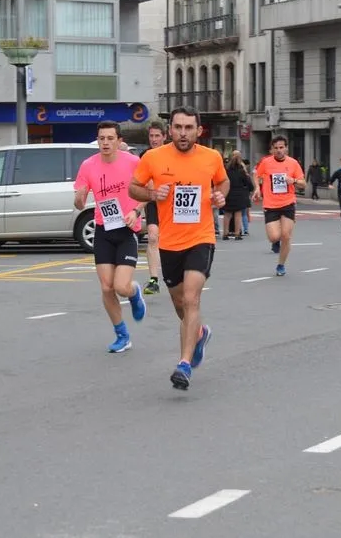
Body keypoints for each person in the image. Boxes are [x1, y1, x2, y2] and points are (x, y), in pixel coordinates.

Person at [130, 107, 229, 391]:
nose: (183, 133)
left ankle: (184, 364)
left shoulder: (211, 157)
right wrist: (152, 194)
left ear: (199, 130)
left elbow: (222, 181)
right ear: (170, 130)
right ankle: (199, 333)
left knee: (190, 298)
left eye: (188, 128)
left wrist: (219, 195)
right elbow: (133, 188)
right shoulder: (153, 158)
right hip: (170, 242)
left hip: (201, 237)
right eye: (178, 127)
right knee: (179, 303)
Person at [74, 120, 147, 353]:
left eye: (110, 138)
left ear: (119, 141)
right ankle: (122, 335)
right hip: (103, 229)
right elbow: (79, 203)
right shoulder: (88, 165)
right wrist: (80, 197)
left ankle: (134, 293)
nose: (105, 143)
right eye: (101, 139)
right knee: (107, 288)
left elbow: (148, 191)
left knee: (121, 286)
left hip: (127, 229)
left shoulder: (133, 162)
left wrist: (136, 211)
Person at [252, 136, 305, 276]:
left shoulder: (293, 163)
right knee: (274, 237)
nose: (279, 150)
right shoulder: (266, 162)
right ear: (272, 149)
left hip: (288, 203)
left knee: (286, 236)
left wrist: (293, 181)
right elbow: (256, 174)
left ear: (286, 148)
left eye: (281, 147)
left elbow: (303, 183)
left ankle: (281, 265)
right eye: (276, 148)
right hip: (270, 204)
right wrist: (257, 188)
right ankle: (278, 234)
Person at [141, 120, 167, 295]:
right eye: (151, 136)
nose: (154, 139)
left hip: (170, 202)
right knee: (152, 238)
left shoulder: (172, 154)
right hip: (152, 201)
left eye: (157, 136)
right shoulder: (145, 156)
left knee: (171, 241)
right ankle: (153, 280)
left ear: (164, 137)